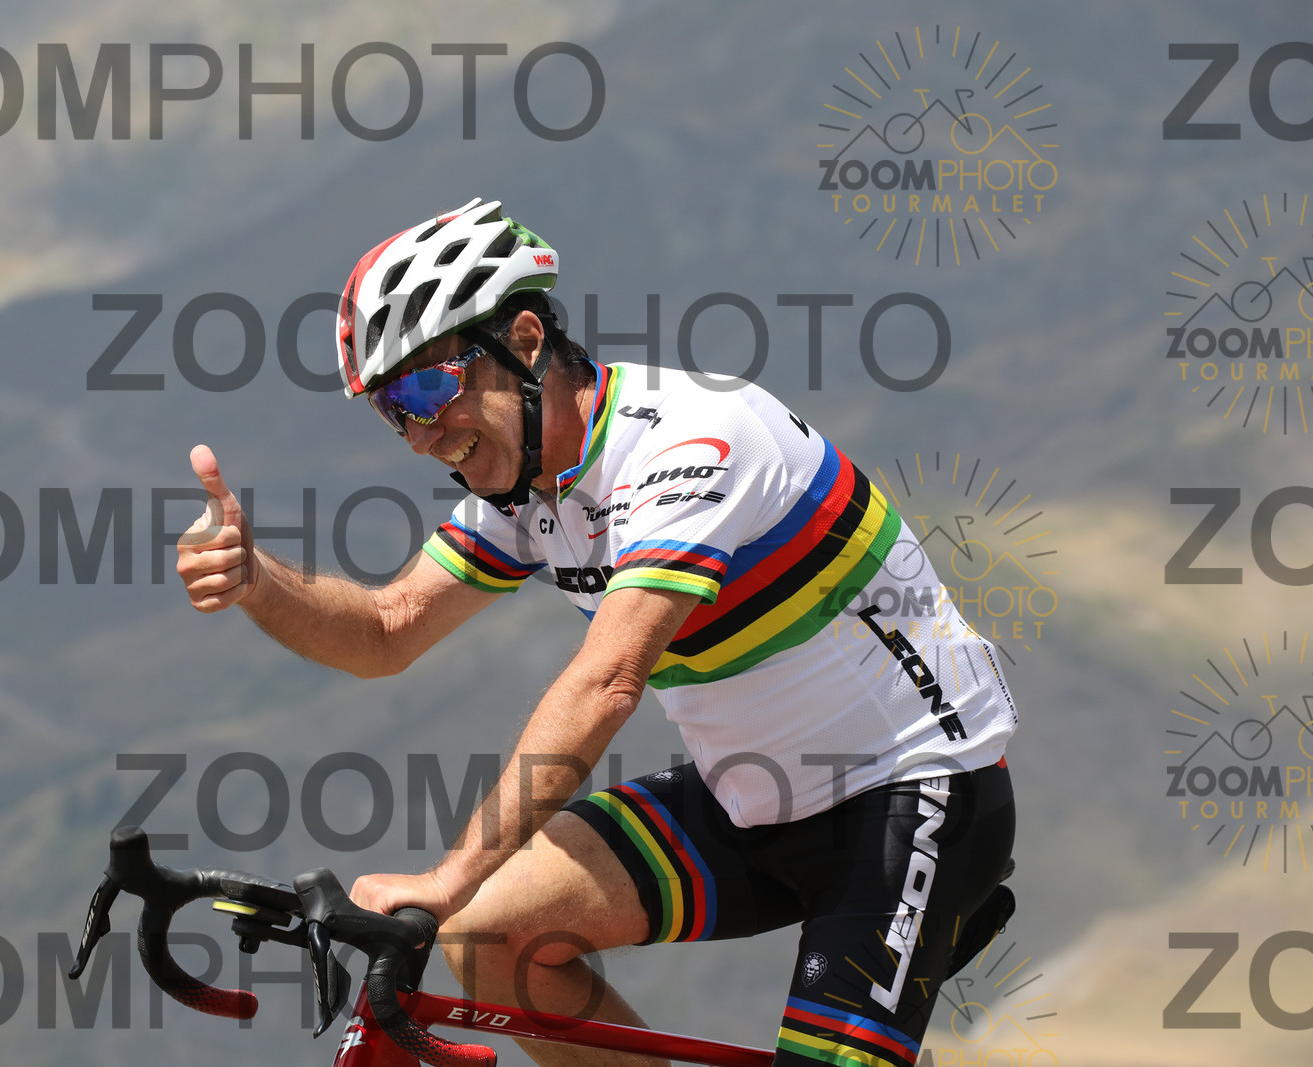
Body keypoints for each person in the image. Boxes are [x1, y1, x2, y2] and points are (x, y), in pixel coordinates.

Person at [177, 198, 1019, 1067]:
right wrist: (255, 579)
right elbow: (385, 631)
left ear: (525, 341)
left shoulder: (692, 442)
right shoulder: (528, 484)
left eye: (430, 387)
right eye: (396, 409)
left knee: (466, 897)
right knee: (487, 937)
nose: (422, 436)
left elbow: (609, 680)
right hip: (753, 798)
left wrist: (446, 876)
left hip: (913, 788)